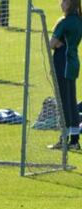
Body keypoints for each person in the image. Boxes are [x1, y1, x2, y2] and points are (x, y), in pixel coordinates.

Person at [49, 0, 82, 150]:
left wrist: (57, 43)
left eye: (64, 1)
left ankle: (63, 139)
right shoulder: (79, 20)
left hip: (62, 62)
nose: (61, 3)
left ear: (71, 4)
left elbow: (51, 43)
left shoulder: (64, 21)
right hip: (73, 63)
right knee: (71, 101)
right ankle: (74, 141)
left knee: (63, 102)